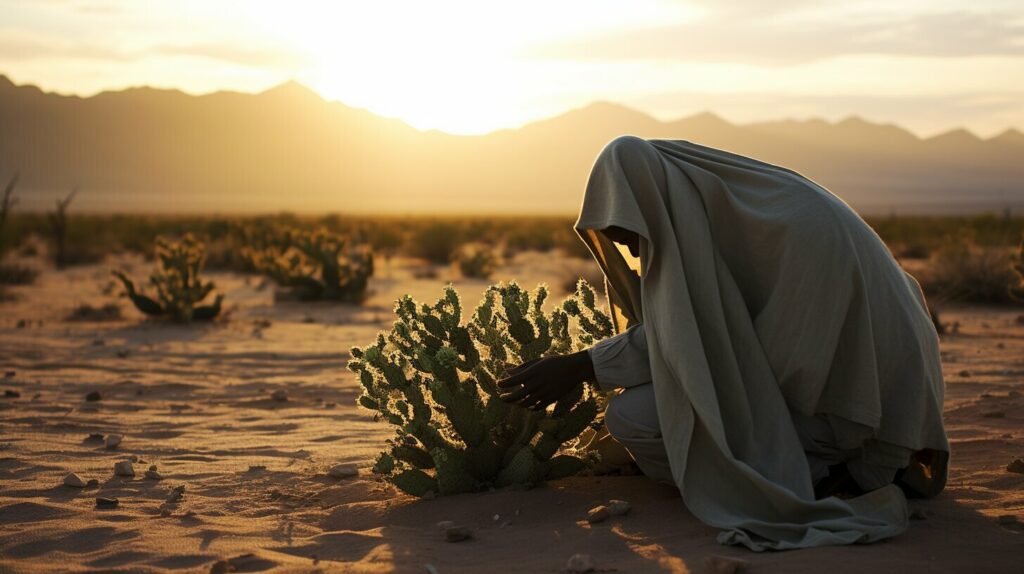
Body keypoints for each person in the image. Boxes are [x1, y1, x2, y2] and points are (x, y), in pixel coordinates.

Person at [497, 135, 949, 550]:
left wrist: (581, 367)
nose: (636, 253)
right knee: (665, 405)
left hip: (859, 419)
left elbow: (707, 343)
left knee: (634, 416)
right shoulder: (759, 206)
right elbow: (705, 337)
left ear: (655, 201)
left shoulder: (785, 228)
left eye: (631, 237)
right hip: (883, 406)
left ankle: (813, 475)